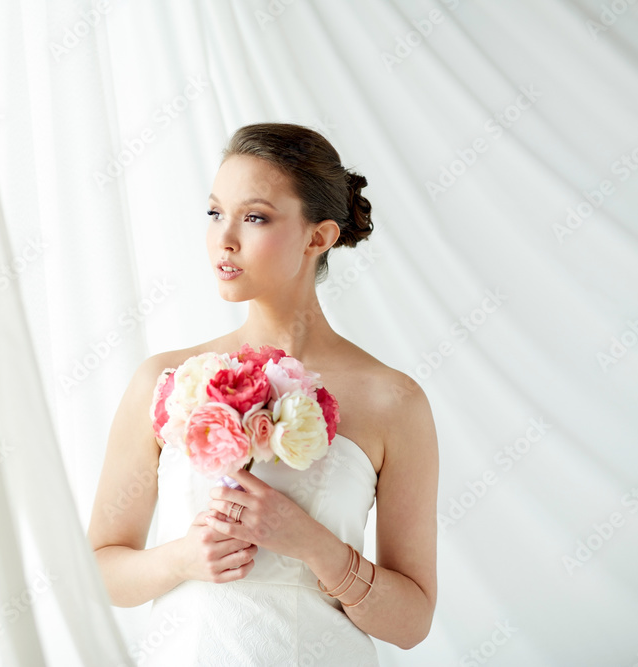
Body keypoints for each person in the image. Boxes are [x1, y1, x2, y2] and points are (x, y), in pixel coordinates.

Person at [88, 122, 438, 665]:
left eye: (254, 217)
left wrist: (316, 548)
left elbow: (412, 623)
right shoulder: (165, 379)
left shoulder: (393, 401)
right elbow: (102, 568)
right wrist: (182, 559)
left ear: (318, 237)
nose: (224, 239)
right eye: (214, 213)